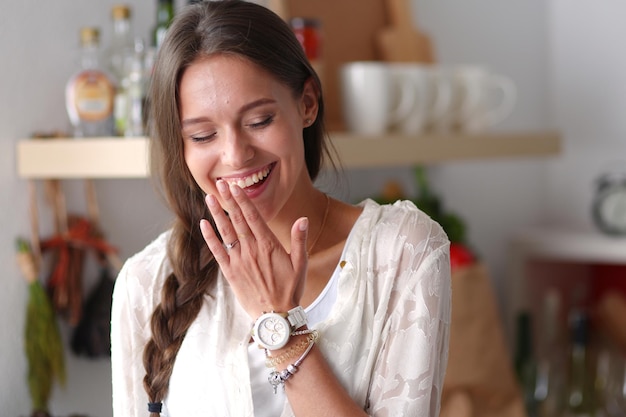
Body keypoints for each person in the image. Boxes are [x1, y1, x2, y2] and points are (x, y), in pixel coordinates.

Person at [110, 1, 451, 416]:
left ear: (307, 103)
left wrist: (281, 324)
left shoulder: (404, 251)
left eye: (259, 121)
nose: (235, 155)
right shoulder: (145, 282)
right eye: (202, 136)